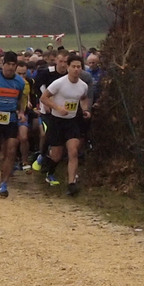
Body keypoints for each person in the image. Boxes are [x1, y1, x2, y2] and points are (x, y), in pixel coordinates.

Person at [40, 53, 93, 194]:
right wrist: (57, 108)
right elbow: (44, 98)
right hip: (57, 121)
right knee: (57, 155)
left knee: (73, 151)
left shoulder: (83, 86)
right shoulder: (59, 83)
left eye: (79, 67)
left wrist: (85, 110)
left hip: (72, 122)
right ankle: (50, 172)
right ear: (68, 67)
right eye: (73, 66)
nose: (76, 69)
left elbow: (83, 98)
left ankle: (71, 183)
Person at [0, 50, 29, 198]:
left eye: (13, 64)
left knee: (12, 149)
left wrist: (21, 112)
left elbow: (21, 100)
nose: (10, 67)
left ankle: (3, 184)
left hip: (11, 120)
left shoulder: (20, 82)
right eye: (8, 64)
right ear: (3, 64)